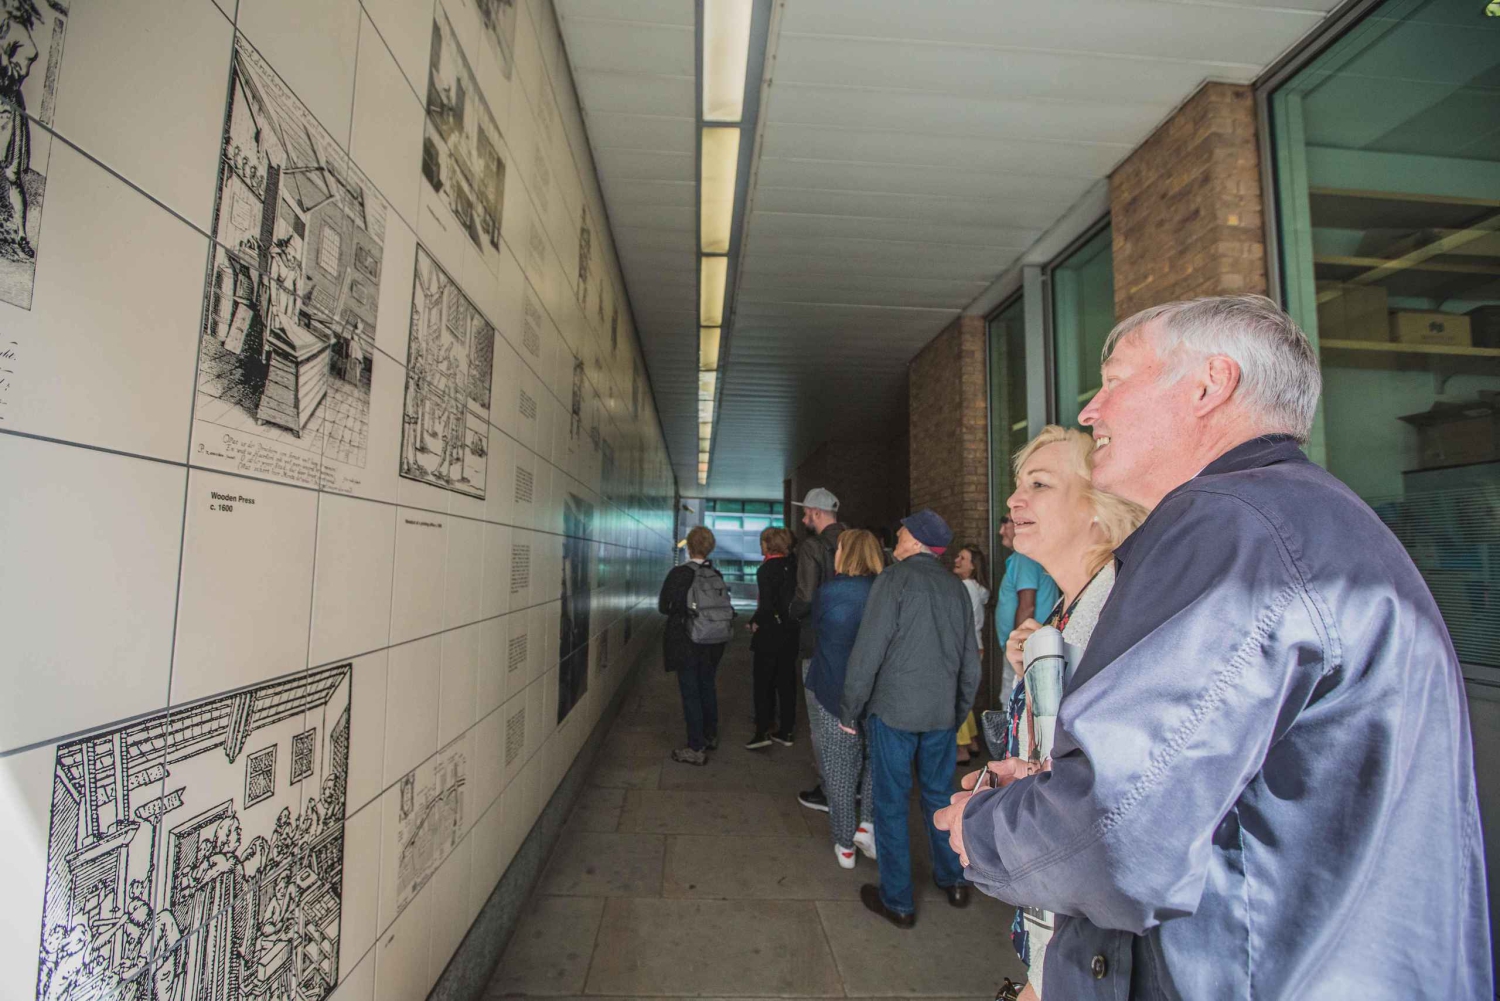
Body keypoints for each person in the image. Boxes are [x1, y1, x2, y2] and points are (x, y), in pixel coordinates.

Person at [936, 295, 1491, 999]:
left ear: (1210, 384)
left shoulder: (1232, 524)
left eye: (1114, 380)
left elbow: (1116, 834)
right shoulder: (1303, 518)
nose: (1092, 410)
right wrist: (1059, 791)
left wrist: (983, 828)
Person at [987, 427, 1145, 1001]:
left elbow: (1109, 815)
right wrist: (1033, 669)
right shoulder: (1068, 609)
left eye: (1040, 484)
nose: (1014, 499)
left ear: (1101, 512)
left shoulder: (1117, 622)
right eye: (1019, 484)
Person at [840, 508, 980, 927]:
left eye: (901, 533)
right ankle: (954, 880)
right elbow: (970, 663)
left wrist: (851, 707)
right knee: (940, 796)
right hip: (941, 713)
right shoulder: (956, 589)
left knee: (891, 803)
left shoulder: (893, 580)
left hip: (894, 712)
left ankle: (898, 901)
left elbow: (868, 651)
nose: (897, 537)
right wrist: (956, 711)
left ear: (916, 541)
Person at [804, 528, 884, 868]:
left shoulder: (829, 592)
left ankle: (845, 844)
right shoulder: (885, 592)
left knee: (839, 768)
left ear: (846, 554)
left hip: (832, 689)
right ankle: (868, 824)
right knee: (876, 760)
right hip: (877, 692)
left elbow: (817, 629)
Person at [787, 487, 846, 812]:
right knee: (849, 719)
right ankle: (852, 786)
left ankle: (829, 790)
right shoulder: (855, 540)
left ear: (817, 513)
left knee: (820, 722)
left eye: (807, 513)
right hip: (853, 643)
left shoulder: (812, 547)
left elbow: (806, 596)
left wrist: (791, 611)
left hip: (818, 643)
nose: (804, 519)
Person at [658, 526, 730, 766]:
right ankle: (710, 735)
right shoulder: (715, 573)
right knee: (707, 685)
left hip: (687, 640)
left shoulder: (679, 574)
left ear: (689, 547)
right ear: (710, 548)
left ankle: (695, 747)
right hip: (714, 640)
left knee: (691, 692)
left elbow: (664, 607)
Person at [994, 516, 1059, 702]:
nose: (1001, 531)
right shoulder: (1024, 558)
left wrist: (1019, 647)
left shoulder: (1024, 558)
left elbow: (1027, 605)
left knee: (1013, 702)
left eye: (1006, 522)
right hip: (1030, 646)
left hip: (1026, 648)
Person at [747, 526, 799, 749]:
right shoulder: (794, 566)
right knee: (786, 682)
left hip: (769, 634)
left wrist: (755, 621)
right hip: (791, 632)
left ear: (769, 544)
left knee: (763, 683)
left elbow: (767, 604)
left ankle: (762, 731)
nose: (761, 545)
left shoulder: (766, 569)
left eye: (762, 541)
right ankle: (786, 731)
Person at [951, 544, 989, 765]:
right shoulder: (975, 587)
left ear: (973, 566)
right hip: (975, 645)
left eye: (962, 558)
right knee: (965, 695)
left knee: (957, 697)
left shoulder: (965, 587)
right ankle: (972, 741)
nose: (956, 560)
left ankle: (961, 747)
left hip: (964, 646)